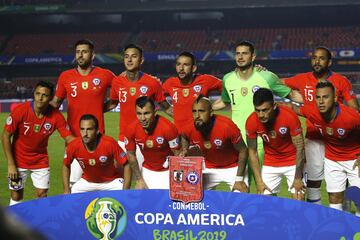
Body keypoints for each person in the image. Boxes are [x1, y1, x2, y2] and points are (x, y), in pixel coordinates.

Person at [212, 40, 302, 184]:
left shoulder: (266, 77)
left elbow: (292, 95)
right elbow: (225, 101)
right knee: (242, 186)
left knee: (264, 187)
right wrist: (206, 108)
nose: (240, 57)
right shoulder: (228, 79)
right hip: (236, 141)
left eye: (245, 54)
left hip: (261, 140)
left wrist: (315, 103)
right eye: (238, 54)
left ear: (253, 57)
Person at [282, 46, 359, 204]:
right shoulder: (302, 79)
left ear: (329, 62)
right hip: (314, 138)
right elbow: (279, 83)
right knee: (313, 180)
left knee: (341, 180)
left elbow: (354, 110)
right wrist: (264, 74)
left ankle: (342, 213)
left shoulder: (341, 81)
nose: (317, 61)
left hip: (339, 137)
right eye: (314, 58)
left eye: (321, 58)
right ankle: (316, 217)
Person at [51, 39, 115, 187]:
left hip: (98, 139)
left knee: (101, 182)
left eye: (84, 52)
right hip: (73, 139)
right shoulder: (65, 76)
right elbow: (55, 104)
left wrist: (101, 108)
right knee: (73, 184)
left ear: (93, 55)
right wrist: (36, 105)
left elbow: (121, 89)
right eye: (78, 52)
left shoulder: (105, 75)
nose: (80, 55)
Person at [292, 82, 360, 215]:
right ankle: (338, 229)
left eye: (325, 97)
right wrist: (275, 105)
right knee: (334, 197)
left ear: (335, 98)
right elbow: (293, 108)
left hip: (354, 160)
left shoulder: (351, 117)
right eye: (318, 97)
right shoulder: (313, 112)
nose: (321, 101)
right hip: (332, 159)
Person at [2, 81, 74, 206]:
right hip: (18, 161)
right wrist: (11, 164)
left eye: (44, 95)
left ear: (51, 98)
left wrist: (87, 144)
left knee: (42, 195)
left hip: (40, 161)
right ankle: (13, 222)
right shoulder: (20, 110)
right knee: (16, 195)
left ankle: (38, 223)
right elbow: (5, 136)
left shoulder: (56, 116)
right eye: (37, 94)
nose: (40, 98)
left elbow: (68, 138)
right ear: (34, 94)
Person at [105, 44, 168, 169]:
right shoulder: (117, 82)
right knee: (123, 179)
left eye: (134, 56)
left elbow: (166, 107)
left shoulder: (152, 82)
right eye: (126, 57)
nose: (129, 60)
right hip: (124, 139)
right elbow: (112, 104)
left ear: (141, 60)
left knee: (146, 179)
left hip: (146, 139)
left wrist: (187, 117)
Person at [246, 88, 306, 200]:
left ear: (274, 106)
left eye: (265, 110)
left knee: (299, 198)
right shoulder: (251, 121)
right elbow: (252, 152)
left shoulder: (289, 116)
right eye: (257, 110)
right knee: (263, 200)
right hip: (271, 162)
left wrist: (298, 177)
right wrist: (259, 181)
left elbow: (300, 148)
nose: (261, 115)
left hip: (293, 160)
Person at [181, 95, 249, 191]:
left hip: (233, 167)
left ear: (211, 112)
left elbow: (243, 150)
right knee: (197, 198)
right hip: (208, 167)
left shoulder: (226, 126)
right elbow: (184, 135)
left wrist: (239, 179)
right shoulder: (188, 127)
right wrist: (185, 149)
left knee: (241, 197)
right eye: (194, 111)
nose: (197, 115)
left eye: (201, 111)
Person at [63, 114, 143, 193]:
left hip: (111, 183)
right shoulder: (74, 145)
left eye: (89, 129)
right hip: (87, 182)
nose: (85, 133)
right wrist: (66, 189)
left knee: (124, 198)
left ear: (97, 130)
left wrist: (125, 191)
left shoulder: (109, 143)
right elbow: (66, 165)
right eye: (82, 129)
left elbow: (127, 164)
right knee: (72, 194)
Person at [124, 96, 181, 189]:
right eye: (139, 114)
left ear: (155, 112)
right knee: (139, 198)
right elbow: (131, 155)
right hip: (148, 170)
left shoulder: (168, 128)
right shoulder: (131, 129)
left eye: (146, 113)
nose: (142, 118)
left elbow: (178, 156)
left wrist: (178, 180)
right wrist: (139, 179)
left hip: (168, 171)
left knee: (169, 202)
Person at [162, 51, 222, 129]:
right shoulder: (170, 83)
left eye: (186, 65)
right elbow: (158, 95)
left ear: (193, 68)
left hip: (202, 135)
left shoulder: (205, 80)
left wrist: (215, 106)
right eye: (178, 64)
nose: (181, 68)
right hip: (181, 136)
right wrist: (167, 108)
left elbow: (227, 88)